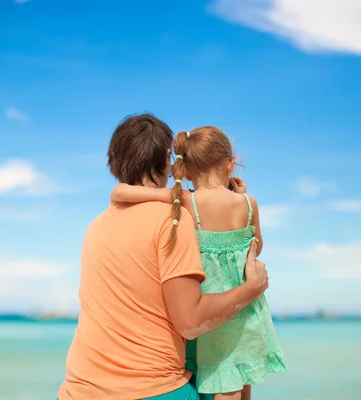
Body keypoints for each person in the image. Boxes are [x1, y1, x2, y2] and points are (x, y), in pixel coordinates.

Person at [57, 114, 268, 400]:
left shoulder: (96, 226)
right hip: (153, 391)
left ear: (113, 161)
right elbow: (190, 322)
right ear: (168, 159)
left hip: (76, 390)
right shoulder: (173, 219)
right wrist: (250, 289)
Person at [110, 126, 287, 400]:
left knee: (216, 374)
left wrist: (168, 194)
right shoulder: (249, 202)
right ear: (230, 164)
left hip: (209, 303)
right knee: (238, 374)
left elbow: (120, 194)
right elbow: (258, 244)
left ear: (186, 169)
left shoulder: (188, 202)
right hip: (243, 305)